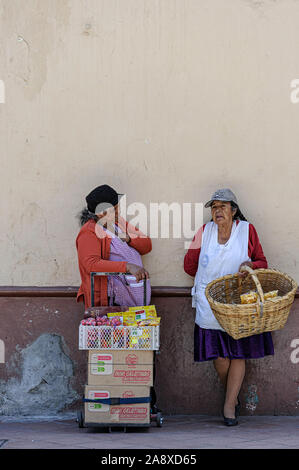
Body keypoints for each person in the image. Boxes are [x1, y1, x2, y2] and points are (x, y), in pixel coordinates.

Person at [184, 188, 274, 426]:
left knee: (239, 353)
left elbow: (262, 262)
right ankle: (231, 396)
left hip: (239, 305)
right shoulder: (204, 232)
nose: (217, 211)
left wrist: (250, 263)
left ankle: (228, 406)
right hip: (209, 302)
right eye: (214, 207)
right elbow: (189, 265)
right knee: (220, 356)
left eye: (222, 206)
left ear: (234, 210)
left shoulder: (247, 231)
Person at [76, 184, 152, 309]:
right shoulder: (89, 231)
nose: (119, 212)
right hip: (108, 300)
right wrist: (127, 267)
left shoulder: (119, 223)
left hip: (133, 295)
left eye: (118, 208)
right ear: (101, 213)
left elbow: (147, 245)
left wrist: (129, 238)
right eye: (114, 209)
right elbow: (91, 264)